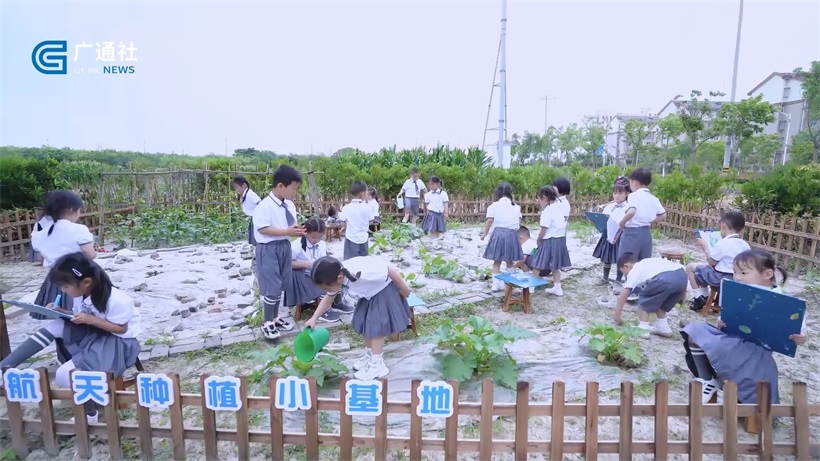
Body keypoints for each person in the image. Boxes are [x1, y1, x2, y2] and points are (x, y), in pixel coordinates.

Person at [0, 252, 141, 424]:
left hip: (118, 342)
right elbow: (79, 315)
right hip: (94, 331)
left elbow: (121, 329)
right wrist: (60, 312)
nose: (62, 290)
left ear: (87, 282)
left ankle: (90, 414)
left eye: (65, 287)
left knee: (64, 375)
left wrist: (91, 320)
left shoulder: (117, 300)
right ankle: (4, 368)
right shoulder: (81, 294)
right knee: (56, 325)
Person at [681, 249, 806, 404]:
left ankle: (719, 381)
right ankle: (707, 379)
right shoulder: (735, 291)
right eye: (734, 272)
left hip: (756, 351)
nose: (737, 277)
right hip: (732, 340)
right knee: (695, 331)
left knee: (744, 404)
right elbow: (727, 317)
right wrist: (721, 323)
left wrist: (800, 337)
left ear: (767, 274)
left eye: (743, 273)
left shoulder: (784, 302)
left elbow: (798, 329)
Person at [305, 256, 412, 380]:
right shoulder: (336, 275)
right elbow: (328, 299)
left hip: (383, 292)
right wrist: (314, 318)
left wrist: (403, 287)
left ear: (340, 278)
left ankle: (378, 364)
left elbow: (390, 270)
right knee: (364, 323)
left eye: (326, 288)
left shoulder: (362, 273)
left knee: (375, 328)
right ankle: (370, 355)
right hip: (369, 295)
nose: (326, 291)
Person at [252, 164, 305, 340]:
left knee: (281, 283)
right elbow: (262, 229)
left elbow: (290, 226)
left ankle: (274, 318)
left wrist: (298, 231)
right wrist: (287, 232)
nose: (294, 192)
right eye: (293, 188)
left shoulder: (289, 205)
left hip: (284, 246)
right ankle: (267, 322)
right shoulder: (264, 206)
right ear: (280, 186)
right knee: (271, 286)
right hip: (269, 249)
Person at [30, 190, 97, 320]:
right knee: (79, 312)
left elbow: (40, 252)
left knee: (54, 311)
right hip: (77, 276)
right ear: (72, 209)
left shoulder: (41, 232)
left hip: (54, 278)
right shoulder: (78, 229)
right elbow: (91, 254)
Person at [286, 218, 353, 323]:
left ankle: (336, 303)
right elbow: (287, 263)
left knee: (336, 274)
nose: (316, 240)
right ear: (306, 232)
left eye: (319, 237)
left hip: (317, 272)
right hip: (302, 276)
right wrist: (306, 264)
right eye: (313, 237)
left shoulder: (321, 244)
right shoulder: (296, 246)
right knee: (324, 280)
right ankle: (324, 311)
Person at [611, 252, 688, 339]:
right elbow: (683, 271)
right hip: (682, 277)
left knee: (645, 296)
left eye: (622, 271)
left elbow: (624, 293)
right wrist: (683, 295)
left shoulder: (635, 269)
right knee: (660, 303)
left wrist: (617, 315)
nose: (624, 274)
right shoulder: (648, 262)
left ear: (626, 266)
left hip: (664, 279)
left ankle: (643, 328)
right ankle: (663, 328)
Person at [686, 211, 750, 311]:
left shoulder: (723, 243)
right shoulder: (745, 245)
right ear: (741, 229)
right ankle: (706, 298)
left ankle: (699, 297)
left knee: (690, 267)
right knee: (704, 269)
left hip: (719, 278)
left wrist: (705, 246)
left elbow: (712, 262)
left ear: (723, 225)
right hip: (736, 279)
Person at [616, 168, 666, 262]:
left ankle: (626, 277)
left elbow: (631, 212)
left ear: (634, 182)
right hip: (646, 234)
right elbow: (663, 215)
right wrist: (649, 221)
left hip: (632, 233)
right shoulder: (653, 198)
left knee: (627, 262)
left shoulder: (633, 196)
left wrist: (622, 223)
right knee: (643, 264)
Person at [480, 182, 523, 292]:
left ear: (497, 193)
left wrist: (484, 234)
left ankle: (495, 285)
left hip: (498, 234)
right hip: (511, 234)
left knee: (497, 261)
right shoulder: (516, 207)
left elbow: (490, 220)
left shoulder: (493, 206)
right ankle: (511, 284)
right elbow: (518, 224)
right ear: (510, 193)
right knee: (509, 261)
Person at [529, 186, 570, 296]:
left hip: (549, 240)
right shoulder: (559, 208)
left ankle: (531, 287)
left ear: (544, 197)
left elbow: (544, 228)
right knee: (555, 266)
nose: (539, 202)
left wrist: (539, 239)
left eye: (539, 199)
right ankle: (558, 287)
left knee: (537, 264)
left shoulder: (547, 211)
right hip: (560, 239)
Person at [593, 179, 630, 284]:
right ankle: (605, 277)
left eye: (620, 193)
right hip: (608, 234)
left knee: (620, 258)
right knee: (607, 256)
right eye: (615, 193)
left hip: (620, 235)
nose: (617, 196)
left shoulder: (628, 207)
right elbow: (604, 218)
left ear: (627, 193)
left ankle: (618, 279)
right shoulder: (609, 207)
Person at [340, 181, 374, 260]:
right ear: (362, 193)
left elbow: (342, 223)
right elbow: (371, 222)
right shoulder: (368, 208)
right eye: (366, 191)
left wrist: (344, 227)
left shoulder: (346, 208)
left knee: (350, 263)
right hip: (363, 239)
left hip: (351, 239)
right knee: (363, 262)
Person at [232, 175, 262, 246]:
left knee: (256, 238)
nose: (236, 190)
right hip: (253, 218)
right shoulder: (245, 194)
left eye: (237, 187)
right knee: (252, 238)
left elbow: (260, 203)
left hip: (256, 218)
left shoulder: (250, 194)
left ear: (244, 185)